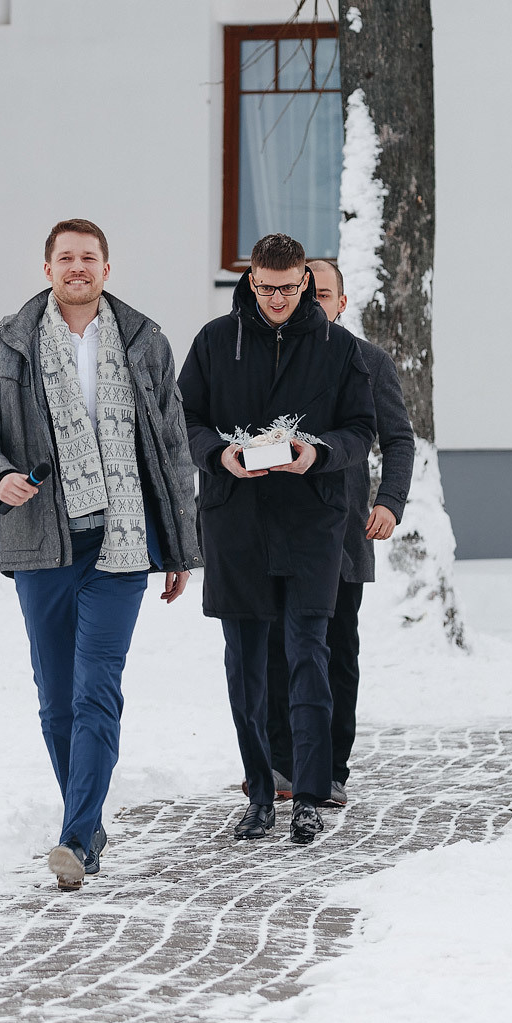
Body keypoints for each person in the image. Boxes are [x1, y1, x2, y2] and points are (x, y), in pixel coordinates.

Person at [0, 219, 201, 892]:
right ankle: (86, 822)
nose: (78, 267)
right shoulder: (7, 345)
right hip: (42, 539)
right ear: (48, 267)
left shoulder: (145, 342)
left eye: (89, 257)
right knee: (55, 698)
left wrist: (178, 542)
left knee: (97, 688)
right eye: (66, 257)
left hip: (123, 539)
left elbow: (174, 449)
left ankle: (76, 838)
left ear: (107, 268)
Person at [179, 233, 375, 846]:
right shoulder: (215, 341)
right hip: (235, 522)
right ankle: (260, 793)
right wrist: (219, 455)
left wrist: (316, 453)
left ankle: (310, 796)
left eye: (290, 290)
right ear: (250, 280)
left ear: (305, 284)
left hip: (313, 524)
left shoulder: (340, 349)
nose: (278, 301)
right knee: (245, 668)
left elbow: (361, 430)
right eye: (266, 289)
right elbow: (183, 420)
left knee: (308, 657)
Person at [265, 258, 415, 808]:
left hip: (344, 532)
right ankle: (281, 764)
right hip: (275, 532)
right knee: (275, 650)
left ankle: (330, 767)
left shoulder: (368, 361)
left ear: (341, 302)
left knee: (334, 651)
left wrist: (389, 503)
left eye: (323, 293)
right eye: (306, 292)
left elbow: (398, 440)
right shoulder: (272, 356)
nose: (312, 302)